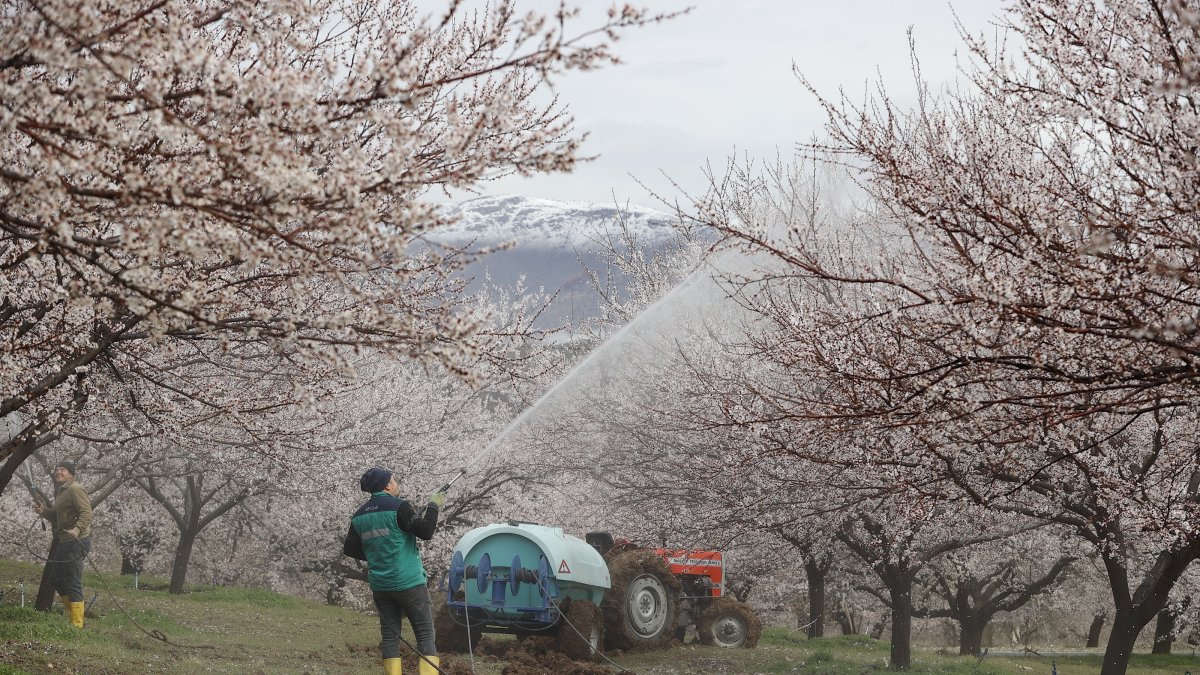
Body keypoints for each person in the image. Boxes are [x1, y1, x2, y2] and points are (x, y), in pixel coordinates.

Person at [344, 467, 444, 675]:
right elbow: (426, 531)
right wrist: (433, 506)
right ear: (387, 485)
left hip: (381, 586)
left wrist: (378, 553)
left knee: (390, 637)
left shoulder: (359, 515)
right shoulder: (399, 507)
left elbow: (350, 549)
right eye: (394, 480)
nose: (396, 483)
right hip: (409, 583)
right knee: (425, 634)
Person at [32, 460, 92, 628]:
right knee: (57, 579)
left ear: (71, 475)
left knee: (73, 581)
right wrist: (44, 512)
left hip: (76, 542)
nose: (58, 472)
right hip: (65, 541)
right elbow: (58, 518)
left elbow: (86, 512)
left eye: (63, 470)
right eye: (57, 469)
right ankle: (73, 617)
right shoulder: (62, 491)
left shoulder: (75, 488)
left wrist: (77, 530)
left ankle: (77, 625)